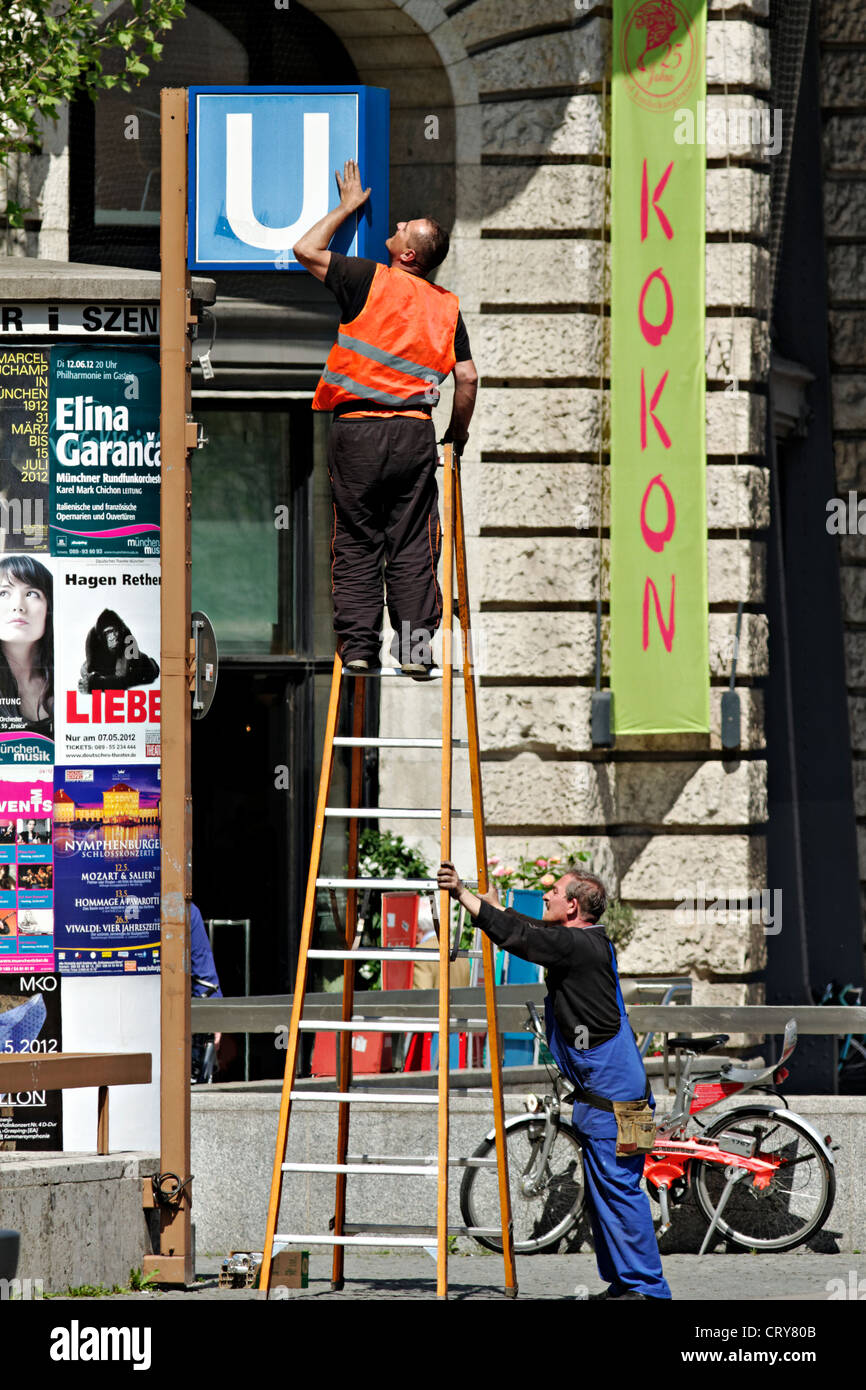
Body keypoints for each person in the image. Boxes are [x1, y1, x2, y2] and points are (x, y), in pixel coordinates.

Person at [437, 860, 672, 1301]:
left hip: (616, 1106)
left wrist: (465, 899)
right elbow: (534, 932)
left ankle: (649, 1291)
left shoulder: (579, 946)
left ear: (573, 905)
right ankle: (626, 1284)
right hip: (612, 1100)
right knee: (608, 1197)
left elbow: (525, 939)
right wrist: (492, 909)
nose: (545, 895)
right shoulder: (584, 940)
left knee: (620, 1193)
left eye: (554, 892)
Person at [293, 159, 479, 677]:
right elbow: (466, 378)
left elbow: (305, 249)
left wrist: (348, 206)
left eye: (401, 231)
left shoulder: (365, 278)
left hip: (356, 431)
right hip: (414, 434)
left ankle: (357, 649)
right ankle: (417, 653)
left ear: (410, 254)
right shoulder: (446, 307)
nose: (392, 228)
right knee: (413, 543)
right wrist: (455, 436)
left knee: (355, 540)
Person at [0, 555, 53, 737]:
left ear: (49, 608)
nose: (18, 606)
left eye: (31, 593)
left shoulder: (66, 680)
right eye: (3, 593)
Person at [78, 608, 159, 693]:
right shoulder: (93, 636)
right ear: (100, 636)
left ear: (120, 630)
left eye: (114, 631)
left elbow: (124, 680)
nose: (112, 637)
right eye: (108, 633)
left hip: (142, 666)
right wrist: (91, 678)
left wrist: (95, 685)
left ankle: (152, 664)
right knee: (84, 669)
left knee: (137, 673)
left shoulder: (128, 637)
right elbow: (91, 668)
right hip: (111, 661)